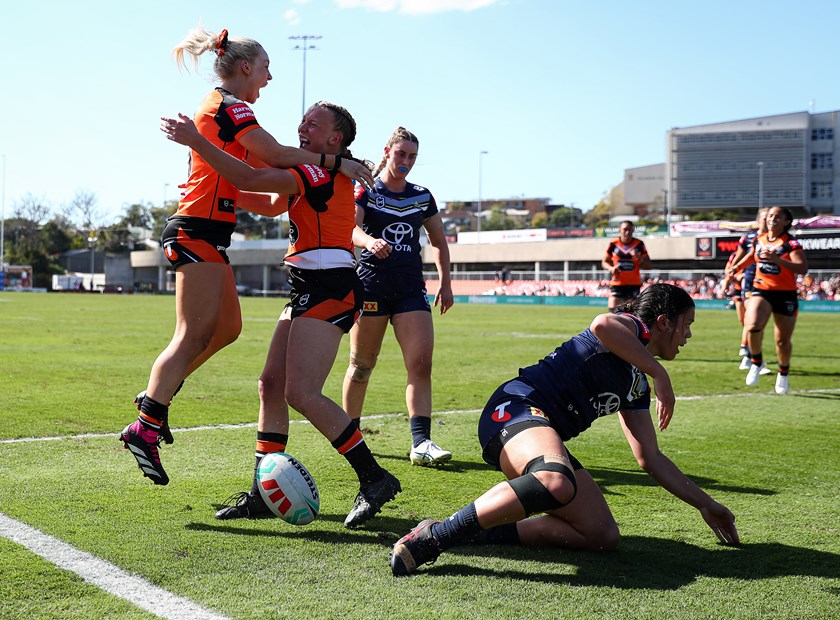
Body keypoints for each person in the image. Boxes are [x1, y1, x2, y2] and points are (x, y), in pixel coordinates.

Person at [120, 26, 373, 487]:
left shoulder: (229, 111)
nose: (269, 77)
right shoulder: (229, 105)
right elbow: (271, 158)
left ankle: (156, 398)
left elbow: (259, 188)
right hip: (197, 231)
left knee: (228, 330)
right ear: (244, 68)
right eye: (265, 68)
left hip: (216, 237)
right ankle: (148, 419)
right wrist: (337, 163)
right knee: (192, 336)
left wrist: (213, 156)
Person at [390, 283, 740, 576]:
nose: (689, 335)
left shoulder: (636, 382)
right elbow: (603, 324)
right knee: (556, 480)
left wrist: (706, 505)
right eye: (687, 324)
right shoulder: (632, 327)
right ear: (663, 322)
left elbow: (650, 458)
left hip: (541, 433)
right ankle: (437, 537)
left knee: (601, 535)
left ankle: (472, 533)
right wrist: (660, 373)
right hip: (513, 410)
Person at [162, 100, 401, 528]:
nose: (302, 125)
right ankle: (260, 492)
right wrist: (211, 178)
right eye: (303, 120)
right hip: (309, 286)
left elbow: (251, 176)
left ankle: (374, 477)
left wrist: (200, 142)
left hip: (329, 285)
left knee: (301, 393)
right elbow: (270, 202)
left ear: (335, 139)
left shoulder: (321, 168)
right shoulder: (321, 168)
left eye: (313, 123)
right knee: (270, 384)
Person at [341, 126, 454, 466]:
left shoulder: (422, 196)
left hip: (410, 289)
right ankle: (348, 437)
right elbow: (351, 227)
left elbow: (438, 240)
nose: (406, 161)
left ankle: (422, 443)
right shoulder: (368, 190)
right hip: (372, 286)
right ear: (387, 151)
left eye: (412, 157)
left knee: (421, 364)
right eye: (401, 154)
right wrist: (368, 242)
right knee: (361, 365)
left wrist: (446, 282)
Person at [742, 206, 808, 394]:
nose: (773, 219)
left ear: (786, 222)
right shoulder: (759, 239)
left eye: (778, 216)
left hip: (785, 295)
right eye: (771, 215)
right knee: (752, 324)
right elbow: (751, 258)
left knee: (782, 341)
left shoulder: (790, 243)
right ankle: (756, 361)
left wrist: (778, 260)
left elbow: (802, 268)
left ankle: (783, 373)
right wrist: (734, 269)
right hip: (761, 290)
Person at [726, 208, 768, 369]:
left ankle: (751, 357)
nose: (768, 221)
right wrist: (733, 271)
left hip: (769, 285)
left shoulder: (777, 240)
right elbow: (738, 259)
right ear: (758, 220)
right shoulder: (750, 238)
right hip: (751, 284)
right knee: (752, 322)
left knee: (756, 323)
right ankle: (753, 358)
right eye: (765, 217)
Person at [601, 221, 652, 311]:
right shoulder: (613, 244)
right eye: (625, 229)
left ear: (633, 230)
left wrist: (638, 257)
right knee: (613, 310)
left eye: (630, 229)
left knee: (631, 313)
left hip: (634, 284)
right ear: (620, 230)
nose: (627, 232)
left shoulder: (639, 244)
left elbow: (648, 266)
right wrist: (611, 268)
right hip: (617, 283)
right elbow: (604, 262)